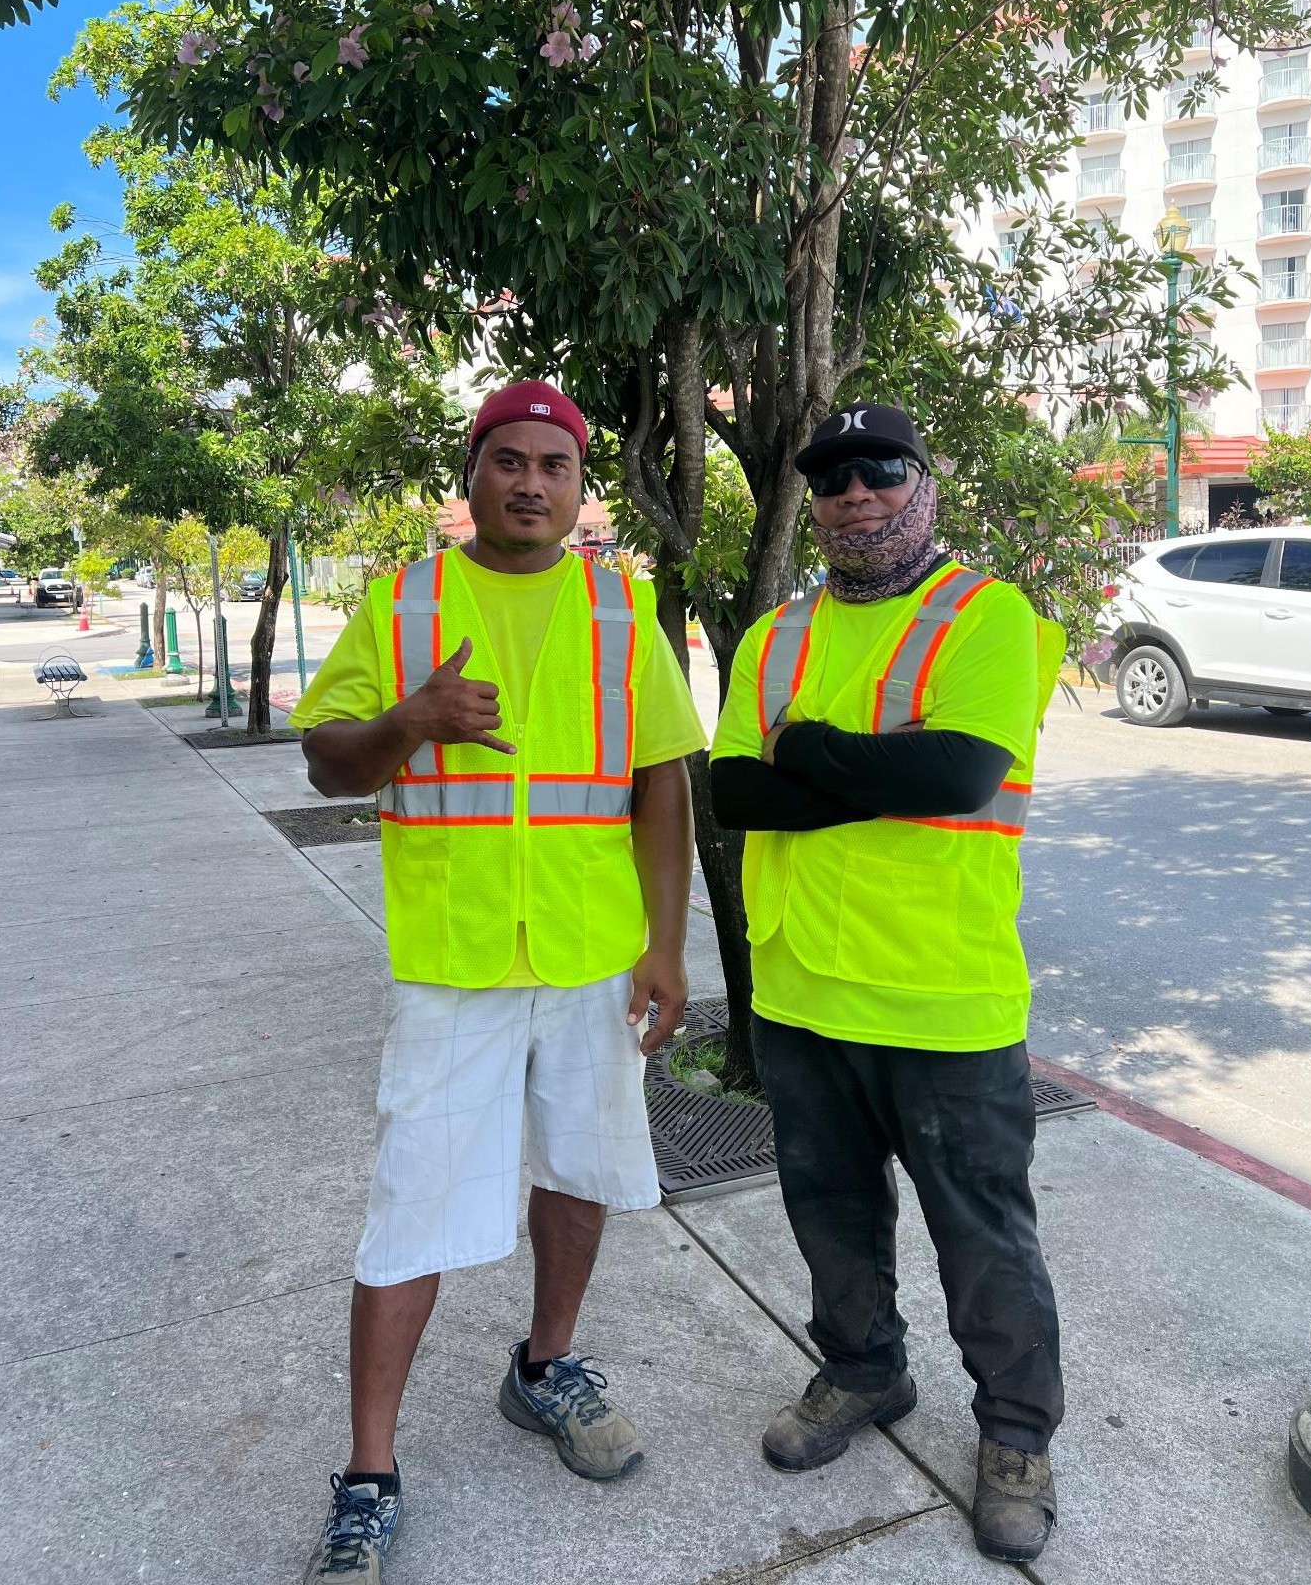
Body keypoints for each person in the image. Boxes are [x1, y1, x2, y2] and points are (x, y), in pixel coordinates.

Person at [292, 380, 707, 1584]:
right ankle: (369, 1474)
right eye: (508, 460)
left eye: (555, 466)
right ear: (470, 475)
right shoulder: (404, 602)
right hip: (455, 962)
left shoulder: (624, 609)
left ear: (582, 491)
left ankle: (545, 1365)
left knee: (578, 1174)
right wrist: (409, 720)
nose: (532, 481)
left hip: (589, 957)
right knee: (411, 1202)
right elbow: (326, 763)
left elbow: (662, 782)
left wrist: (668, 945)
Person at [709, 401, 1066, 1566]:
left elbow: (960, 772)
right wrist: (868, 768)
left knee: (986, 1238)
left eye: (881, 469)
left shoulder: (986, 616)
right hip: (805, 991)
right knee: (832, 1219)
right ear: (810, 502)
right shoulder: (775, 639)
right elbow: (735, 793)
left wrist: (807, 750)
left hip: (944, 998)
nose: (856, 492)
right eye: (831, 477)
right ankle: (864, 1371)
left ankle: (1015, 1436)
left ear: (925, 482)